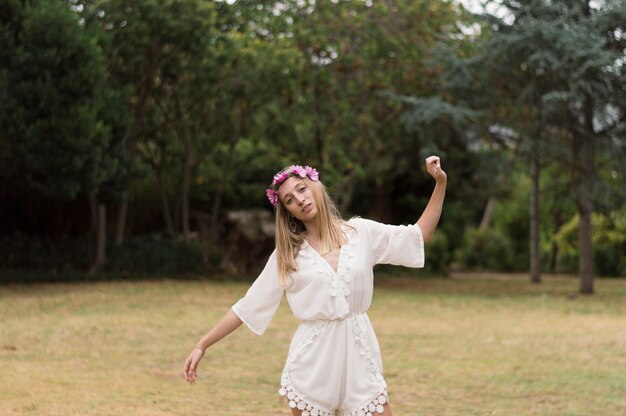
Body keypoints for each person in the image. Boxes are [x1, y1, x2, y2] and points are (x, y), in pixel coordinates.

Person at [184, 156, 447, 416]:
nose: (299, 199)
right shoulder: (288, 256)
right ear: (287, 211)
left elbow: (419, 236)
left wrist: (439, 184)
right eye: (289, 200)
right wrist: (202, 344)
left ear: (315, 186)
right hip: (313, 365)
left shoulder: (360, 233)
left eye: (301, 189)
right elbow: (248, 306)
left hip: (359, 357)